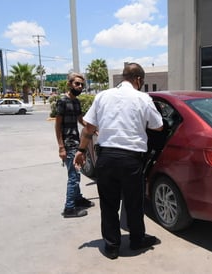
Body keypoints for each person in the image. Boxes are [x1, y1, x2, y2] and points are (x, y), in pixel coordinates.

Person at [74, 63, 163, 259]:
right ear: (138, 80)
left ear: (123, 77)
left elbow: (88, 128)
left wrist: (81, 151)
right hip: (131, 160)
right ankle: (137, 240)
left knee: (108, 204)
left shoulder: (102, 96)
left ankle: (112, 246)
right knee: (134, 203)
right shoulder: (143, 98)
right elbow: (158, 126)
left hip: (105, 158)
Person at [55, 72, 94, 218]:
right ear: (69, 84)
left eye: (82, 85)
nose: (80, 87)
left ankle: (78, 199)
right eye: (77, 83)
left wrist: (92, 128)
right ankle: (69, 208)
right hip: (68, 144)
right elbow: (57, 126)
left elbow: (80, 120)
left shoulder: (76, 102)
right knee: (74, 176)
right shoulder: (62, 101)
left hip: (76, 142)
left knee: (77, 172)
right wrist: (61, 147)